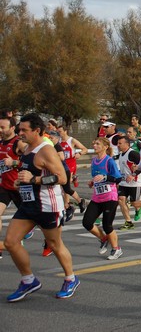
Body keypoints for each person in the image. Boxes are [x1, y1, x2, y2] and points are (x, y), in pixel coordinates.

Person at [4, 113, 79, 301]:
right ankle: (29, 280)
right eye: (19, 129)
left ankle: (71, 278)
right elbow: (27, 170)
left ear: (37, 130)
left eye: (24, 130)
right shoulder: (28, 147)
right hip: (29, 204)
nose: (20, 133)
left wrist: (34, 179)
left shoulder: (47, 150)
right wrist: (21, 183)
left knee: (54, 244)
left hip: (48, 205)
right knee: (11, 242)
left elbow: (62, 178)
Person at [82, 137, 124, 260]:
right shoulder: (94, 161)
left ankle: (116, 249)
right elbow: (96, 177)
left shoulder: (109, 161)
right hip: (97, 197)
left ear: (105, 147)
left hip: (110, 197)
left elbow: (118, 178)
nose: (94, 146)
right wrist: (92, 182)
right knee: (87, 222)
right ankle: (104, 239)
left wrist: (104, 177)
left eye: (97, 144)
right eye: (94, 143)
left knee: (107, 225)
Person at [0, 116, 28, 259]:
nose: (0, 130)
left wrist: (14, 162)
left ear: (12, 128)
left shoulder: (18, 143)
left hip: (18, 187)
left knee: (32, 217)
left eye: (3, 127)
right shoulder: (0, 142)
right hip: (4, 187)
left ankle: (49, 241)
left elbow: (30, 161)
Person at [57, 125, 88, 211]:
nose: (59, 133)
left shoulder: (72, 140)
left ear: (65, 131)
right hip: (62, 165)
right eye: (58, 132)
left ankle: (67, 205)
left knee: (65, 184)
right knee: (64, 186)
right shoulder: (58, 141)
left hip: (71, 164)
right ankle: (77, 201)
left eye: (60, 131)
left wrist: (80, 153)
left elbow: (85, 149)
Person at [116, 136, 141, 230]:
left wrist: (133, 175)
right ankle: (128, 222)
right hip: (124, 183)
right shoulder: (121, 154)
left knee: (134, 203)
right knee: (121, 200)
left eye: (120, 143)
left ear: (127, 144)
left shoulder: (133, 154)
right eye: (118, 143)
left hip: (134, 183)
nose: (118, 145)